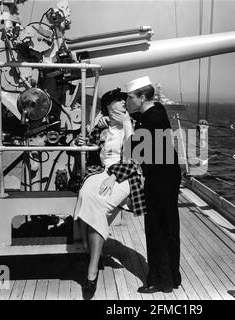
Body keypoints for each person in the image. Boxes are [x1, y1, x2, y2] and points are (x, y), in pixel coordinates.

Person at [73, 88, 146, 299]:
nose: (123, 103)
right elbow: (89, 144)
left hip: (125, 175)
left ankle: (92, 270)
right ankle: (91, 252)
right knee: (86, 194)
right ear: (108, 108)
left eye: (124, 100)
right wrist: (81, 141)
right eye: (118, 101)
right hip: (101, 172)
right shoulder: (103, 127)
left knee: (97, 203)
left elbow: (135, 158)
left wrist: (114, 176)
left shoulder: (134, 124)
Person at [125, 76, 182, 293]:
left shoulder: (151, 119)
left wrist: (126, 124)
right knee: (168, 227)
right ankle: (171, 278)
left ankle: (161, 281)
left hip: (160, 179)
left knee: (157, 229)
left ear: (142, 97)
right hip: (166, 176)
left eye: (131, 98)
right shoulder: (155, 111)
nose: (128, 102)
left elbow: (134, 151)